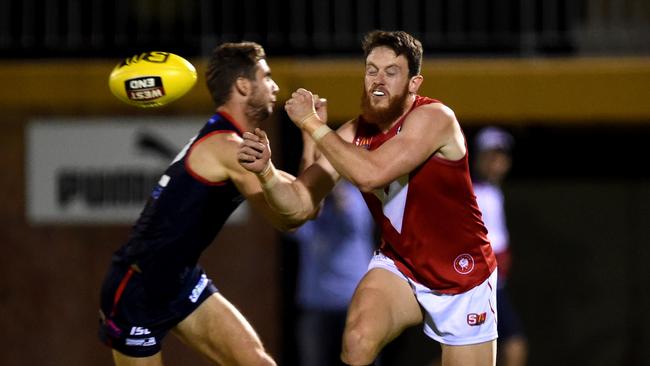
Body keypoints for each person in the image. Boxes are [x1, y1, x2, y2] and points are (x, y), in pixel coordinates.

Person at [239, 30, 498, 366]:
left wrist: (312, 124)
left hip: (463, 279)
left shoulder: (435, 118)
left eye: (391, 72)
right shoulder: (351, 134)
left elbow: (372, 173)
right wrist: (266, 172)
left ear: (414, 84)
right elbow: (300, 206)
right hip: (401, 265)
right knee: (358, 339)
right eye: (371, 70)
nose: (378, 79)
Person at [98, 41, 320, 366]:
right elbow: (293, 213)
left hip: (180, 280)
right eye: (266, 76)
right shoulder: (227, 147)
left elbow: (301, 203)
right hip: (137, 290)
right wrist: (335, 144)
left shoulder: (233, 143)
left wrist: (313, 139)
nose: (275, 86)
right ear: (244, 85)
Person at [291, 175, 374, 366]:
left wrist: (334, 189)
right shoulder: (309, 204)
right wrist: (305, 193)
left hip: (353, 301)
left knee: (360, 360)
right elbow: (292, 227)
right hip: (316, 303)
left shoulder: (356, 196)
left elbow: (353, 220)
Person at [472, 127, 528, 366]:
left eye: (502, 156)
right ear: (478, 158)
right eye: (491, 155)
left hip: (494, 285)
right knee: (513, 344)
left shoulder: (493, 193)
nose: (498, 162)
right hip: (480, 285)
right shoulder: (471, 192)